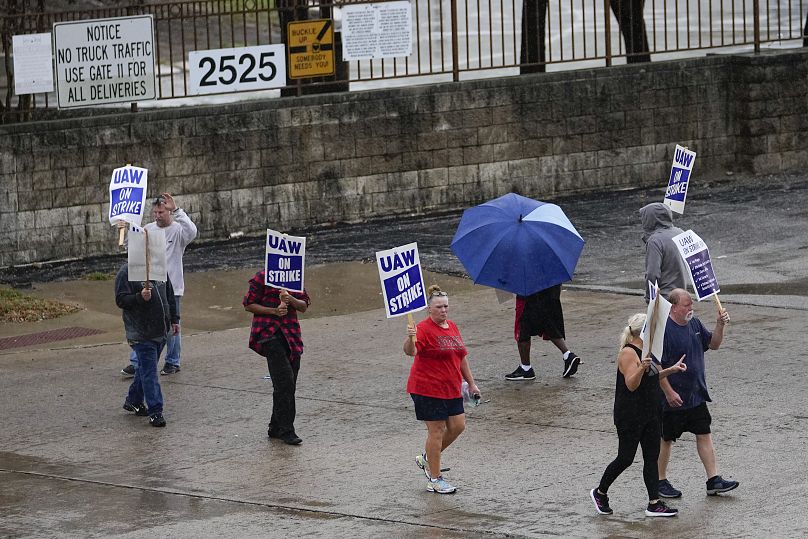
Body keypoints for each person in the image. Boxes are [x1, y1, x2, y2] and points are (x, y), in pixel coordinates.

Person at [591, 313, 686, 518]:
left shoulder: (648, 351)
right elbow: (632, 384)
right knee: (625, 458)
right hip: (630, 414)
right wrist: (642, 367)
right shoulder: (628, 353)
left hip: (650, 412)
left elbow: (650, 379)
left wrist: (671, 370)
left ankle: (654, 503)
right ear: (644, 331)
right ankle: (600, 492)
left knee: (651, 457)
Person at [656, 288, 739, 498]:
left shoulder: (694, 323)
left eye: (691, 304)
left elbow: (714, 344)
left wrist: (720, 325)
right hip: (672, 399)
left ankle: (713, 480)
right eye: (686, 305)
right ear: (673, 307)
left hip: (696, 395)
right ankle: (659, 481)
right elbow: (656, 366)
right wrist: (668, 392)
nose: (691, 308)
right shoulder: (664, 331)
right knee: (665, 439)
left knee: (704, 433)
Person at [404, 285, 481, 494]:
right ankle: (435, 479)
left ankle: (428, 457)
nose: (443, 310)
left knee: (458, 426)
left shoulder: (453, 326)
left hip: (451, 386)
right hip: (427, 388)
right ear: (430, 309)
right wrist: (409, 338)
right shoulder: (422, 328)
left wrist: (471, 383)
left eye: (446, 306)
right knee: (436, 431)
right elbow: (411, 351)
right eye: (439, 307)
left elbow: (461, 357)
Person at [121, 193, 197, 377]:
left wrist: (177, 210)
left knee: (172, 326)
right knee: (145, 324)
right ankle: (137, 361)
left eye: (161, 212)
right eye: (155, 212)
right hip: (151, 285)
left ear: (168, 211)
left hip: (172, 287)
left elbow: (192, 231)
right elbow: (133, 248)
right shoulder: (148, 229)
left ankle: (172, 361)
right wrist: (126, 231)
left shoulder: (178, 230)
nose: (157, 215)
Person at [243, 271, 310, 445]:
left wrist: (290, 299)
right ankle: (287, 429)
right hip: (268, 333)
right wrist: (273, 311)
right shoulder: (261, 277)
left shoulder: (295, 276)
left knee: (288, 382)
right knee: (285, 380)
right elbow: (248, 304)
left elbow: (304, 305)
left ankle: (275, 426)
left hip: (291, 335)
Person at [116, 262, 179, 428]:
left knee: (145, 369)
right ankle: (156, 412)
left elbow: (169, 296)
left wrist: (174, 319)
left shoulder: (159, 268)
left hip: (160, 331)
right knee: (150, 372)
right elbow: (121, 299)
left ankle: (133, 400)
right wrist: (139, 297)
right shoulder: (126, 271)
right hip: (141, 333)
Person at [505, 283, 581, 380]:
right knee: (548, 323)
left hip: (529, 290)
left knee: (523, 327)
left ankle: (526, 368)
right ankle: (568, 355)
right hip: (551, 286)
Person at [640, 202, 687, 303]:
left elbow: (652, 274)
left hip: (665, 298)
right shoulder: (680, 232)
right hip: (682, 295)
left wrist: (650, 298)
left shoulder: (655, 241)